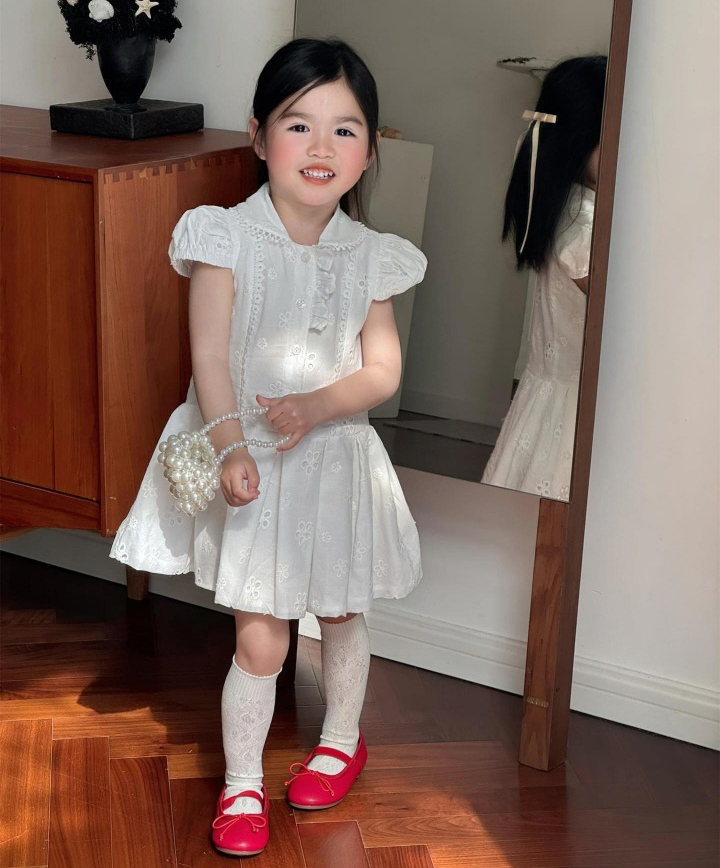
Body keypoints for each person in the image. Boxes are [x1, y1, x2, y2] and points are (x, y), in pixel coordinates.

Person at [109, 37, 427, 857]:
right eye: (299, 124)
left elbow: (382, 369)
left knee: (342, 611)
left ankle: (342, 740)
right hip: (250, 461)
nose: (322, 147)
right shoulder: (224, 237)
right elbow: (210, 358)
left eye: (345, 129)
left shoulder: (373, 256)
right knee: (261, 637)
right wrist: (229, 449)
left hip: (336, 457)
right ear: (258, 136)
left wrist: (318, 405)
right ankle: (242, 784)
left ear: (369, 150)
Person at [482, 55, 607, 501]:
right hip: (576, 412)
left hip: (552, 402)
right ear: (580, 143)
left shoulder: (567, 210)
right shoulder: (583, 225)